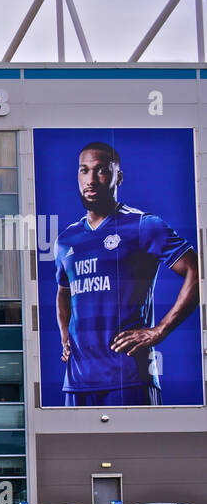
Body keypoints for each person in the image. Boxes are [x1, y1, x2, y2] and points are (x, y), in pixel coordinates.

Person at [53, 141, 199, 406]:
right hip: (77, 382)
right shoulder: (66, 239)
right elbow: (63, 292)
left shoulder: (143, 225)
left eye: (101, 171)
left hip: (128, 376)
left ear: (118, 176)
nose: (91, 180)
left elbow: (196, 270)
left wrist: (159, 331)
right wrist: (65, 336)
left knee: (138, 450)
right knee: (77, 449)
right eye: (84, 171)